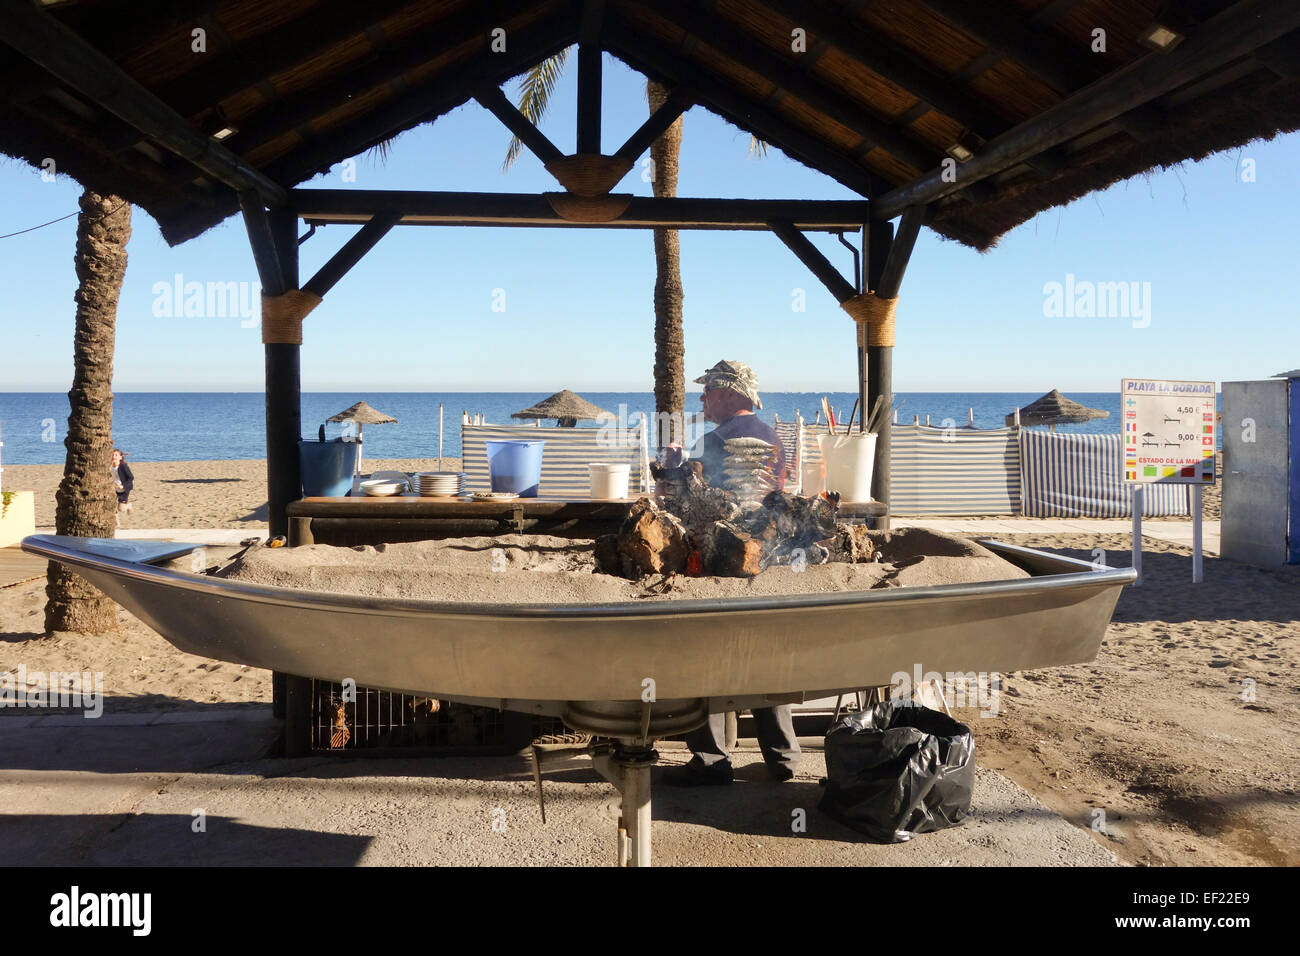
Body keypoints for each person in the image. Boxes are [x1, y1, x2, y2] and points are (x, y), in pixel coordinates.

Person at [663, 359, 799, 786]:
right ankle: (784, 758)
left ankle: (711, 761)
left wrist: (670, 471)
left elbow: (683, 504)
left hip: (722, 563)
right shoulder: (775, 439)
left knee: (710, 658)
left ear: (730, 394)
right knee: (763, 656)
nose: (701, 399)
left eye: (708, 392)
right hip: (768, 561)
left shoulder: (714, 441)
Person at [111, 448, 134, 524]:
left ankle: (129, 506)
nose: (114, 456)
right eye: (113, 455)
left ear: (120, 457)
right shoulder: (109, 466)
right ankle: (116, 523)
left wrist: (123, 486)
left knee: (121, 509)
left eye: (116, 455)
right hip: (114, 489)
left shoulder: (123, 466)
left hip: (124, 490)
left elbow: (131, 477)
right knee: (113, 506)